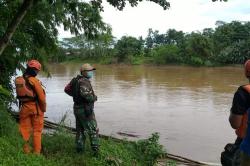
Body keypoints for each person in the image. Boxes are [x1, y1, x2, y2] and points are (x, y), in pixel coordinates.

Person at [64, 63, 99, 155]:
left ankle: (79, 150)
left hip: (77, 108)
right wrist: (94, 98)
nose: (91, 72)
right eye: (89, 71)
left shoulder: (75, 80)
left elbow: (66, 89)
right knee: (93, 130)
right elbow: (86, 95)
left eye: (91, 71)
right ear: (84, 72)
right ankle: (96, 152)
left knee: (80, 130)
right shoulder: (84, 81)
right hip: (85, 109)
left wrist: (75, 95)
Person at [15, 59, 46, 154]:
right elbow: (41, 98)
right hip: (35, 109)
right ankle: (36, 153)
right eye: (37, 70)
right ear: (35, 70)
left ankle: (26, 152)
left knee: (24, 130)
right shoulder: (34, 81)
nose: (37, 72)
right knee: (37, 131)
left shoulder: (19, 79)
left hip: (24, 108)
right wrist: (43, 109)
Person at [228, 59, 250, 166]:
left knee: (228, 157)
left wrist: (232, 111)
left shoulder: (242, 94)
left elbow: (235, 124)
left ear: (246, 73)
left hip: (246, 143)